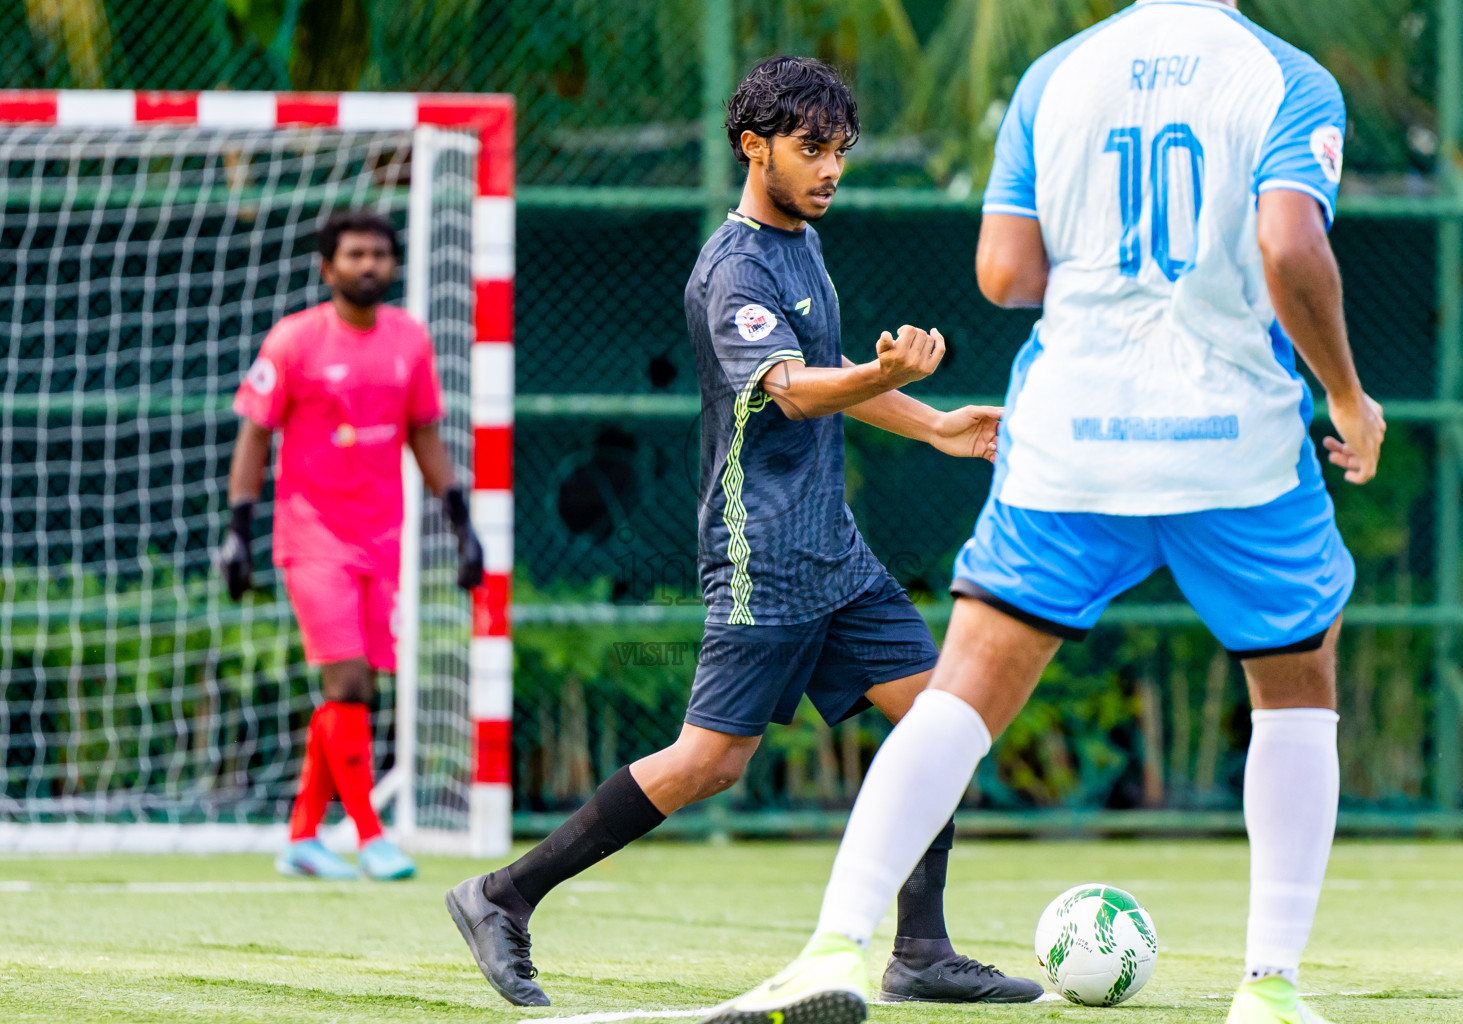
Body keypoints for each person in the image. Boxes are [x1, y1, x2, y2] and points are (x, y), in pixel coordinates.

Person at [704, 3, 1386, 1024]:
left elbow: (1005, 274)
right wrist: (1343, 392)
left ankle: (834, 947)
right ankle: (1270, 989)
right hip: (1233, 444)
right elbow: (1290, 247)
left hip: (1070, 443)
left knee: (961, 694)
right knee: (1294, 694)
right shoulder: (1289, 78)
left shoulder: (1057, 76)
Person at [444, 56, 1038, 1009]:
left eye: (840, 151)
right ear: (752, 146)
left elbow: (825, 365)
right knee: (708, 762)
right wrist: (887, 379)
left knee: (942, 724)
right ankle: (502, 897)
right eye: (812, 150)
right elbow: (793, 390)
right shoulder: (734, 269)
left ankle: (922, 951)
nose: (830, 169)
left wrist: (933, 426)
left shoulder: (800, 238)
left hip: (834, 551)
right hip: (761, 553)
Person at [221, 209, 484, 881]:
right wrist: (237, 532)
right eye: (354, 254)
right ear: (327, 267)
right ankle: (370, 835)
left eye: (378, 254)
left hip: (382, 537)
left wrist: (462, 526)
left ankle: (303, 836)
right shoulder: (294, 340)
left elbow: (425, 433)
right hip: (310, 535)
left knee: (353, 687)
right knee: (349, 681)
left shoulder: (410, 340)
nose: (368, 265)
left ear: (392, 265)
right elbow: (254, 432)